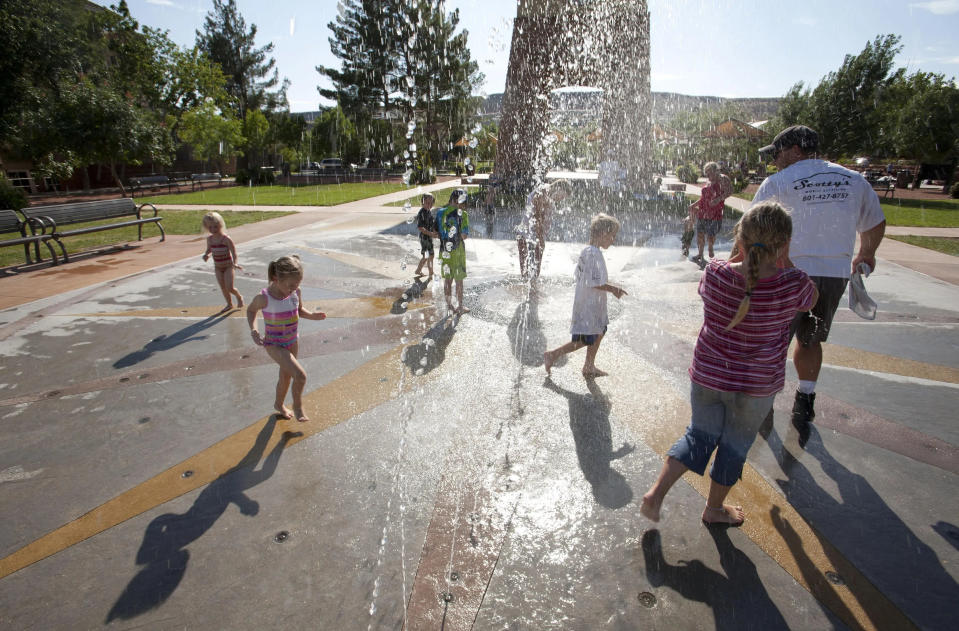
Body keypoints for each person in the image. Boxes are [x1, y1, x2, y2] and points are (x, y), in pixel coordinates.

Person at [640, 202, 818, 526]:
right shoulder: (793, 283)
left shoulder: (716, 273)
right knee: (734, 445)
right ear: (784, 244)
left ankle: (655, 495)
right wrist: (784, 258)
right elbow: (812, 299)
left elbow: (723, 283)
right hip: (756, 386)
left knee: (699, 436)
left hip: (709, 377)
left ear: (740, 238)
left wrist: (743, 255)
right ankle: (714, 509)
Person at [752, 125, 885, 439]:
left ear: (796, 150)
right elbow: (875, 222)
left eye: (779, 153)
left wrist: (741, 267)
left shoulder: (779, 182)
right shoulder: (854, 179)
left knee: (771, 341)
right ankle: (805, 397)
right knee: (810, 338)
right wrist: (866, 253)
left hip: (785, 270)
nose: (776, 161)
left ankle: (763, 403)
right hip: (832, 272)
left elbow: (754, 226)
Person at [543, 213, 627, 378]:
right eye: (612, 235)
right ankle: (553, 354)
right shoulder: (593, 254)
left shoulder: (590, 251)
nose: (613, 239)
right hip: (588, 305)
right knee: (584, 339)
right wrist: (614, 289)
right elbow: (593, 281)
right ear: (602, 234)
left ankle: (589, 365)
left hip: (592, 303)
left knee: (600, 331)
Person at [246, 255, 327, 422]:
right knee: (300, 376)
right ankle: (298, 407)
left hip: (292, 341)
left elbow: (299, 311)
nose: (294, 289)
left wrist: (313, 316)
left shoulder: (295, 292)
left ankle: (279, 404)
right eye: (290, 285)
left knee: (286, 376)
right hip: (274, 344)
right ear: (276, 279)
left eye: (297, 285)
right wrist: (254, 329)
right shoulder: (264, 298)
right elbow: (251, 310)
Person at [516, 179, 571, 279]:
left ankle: (531, 291)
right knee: (528, 274)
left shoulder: (548, 195)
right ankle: (530, 292)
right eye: (562, 196)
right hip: (529, 236)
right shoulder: (543, 192)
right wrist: (540, 237)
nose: (560, 199)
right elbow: (536, 216)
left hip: (532, 236)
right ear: (558, 188)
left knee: (532, 274)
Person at [687, 162, 732, 263]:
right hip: (703, 212)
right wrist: (694, 205)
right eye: (706, 173)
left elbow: (730, 191)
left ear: (716, 171)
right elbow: (703, 198)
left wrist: (718, 199)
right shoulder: (708, 181)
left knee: (711, 235)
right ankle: (700, 254)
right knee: (700, 234)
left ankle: (710, 247)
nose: (707, 175)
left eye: (709, 173)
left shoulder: (723, 179)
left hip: (715, 213)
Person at [436, 189, 470, 315]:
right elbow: (464, 235)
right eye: (463, 203)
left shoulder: (440, 213)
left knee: (448, 280)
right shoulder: (463, 214)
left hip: (444, 251)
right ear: (459, 201)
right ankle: (460, 306)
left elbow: (436, 233)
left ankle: (449, 306)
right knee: (459, 280)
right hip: (458, 251)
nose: (464, 206)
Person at [201, 212, 244, 311]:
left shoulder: (226, 239)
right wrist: (206, 255)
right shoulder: (210, 239)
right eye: (210, 228)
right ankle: (229, 304)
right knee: (223, 287)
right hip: (218, 267)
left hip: (228, 266)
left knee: (230, 287)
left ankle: (239, 296)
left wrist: (235, 263)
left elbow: (234, 252)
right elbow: (209, 249)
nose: (213, 230)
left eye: (215, 227)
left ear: (220, 225)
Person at [413, 193, 437, 279]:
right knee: (430, 255)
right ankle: (431, 273)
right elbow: (420, 227)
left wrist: (434, 231)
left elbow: (432, 224)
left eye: (431, 203)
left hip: (428, 237)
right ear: (422, 203)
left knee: (428, 256)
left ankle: (418, 270)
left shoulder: (428, 212)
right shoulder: (421, 213)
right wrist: (430, 233)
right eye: (427, 203)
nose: (429, 205)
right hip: (424, 238)